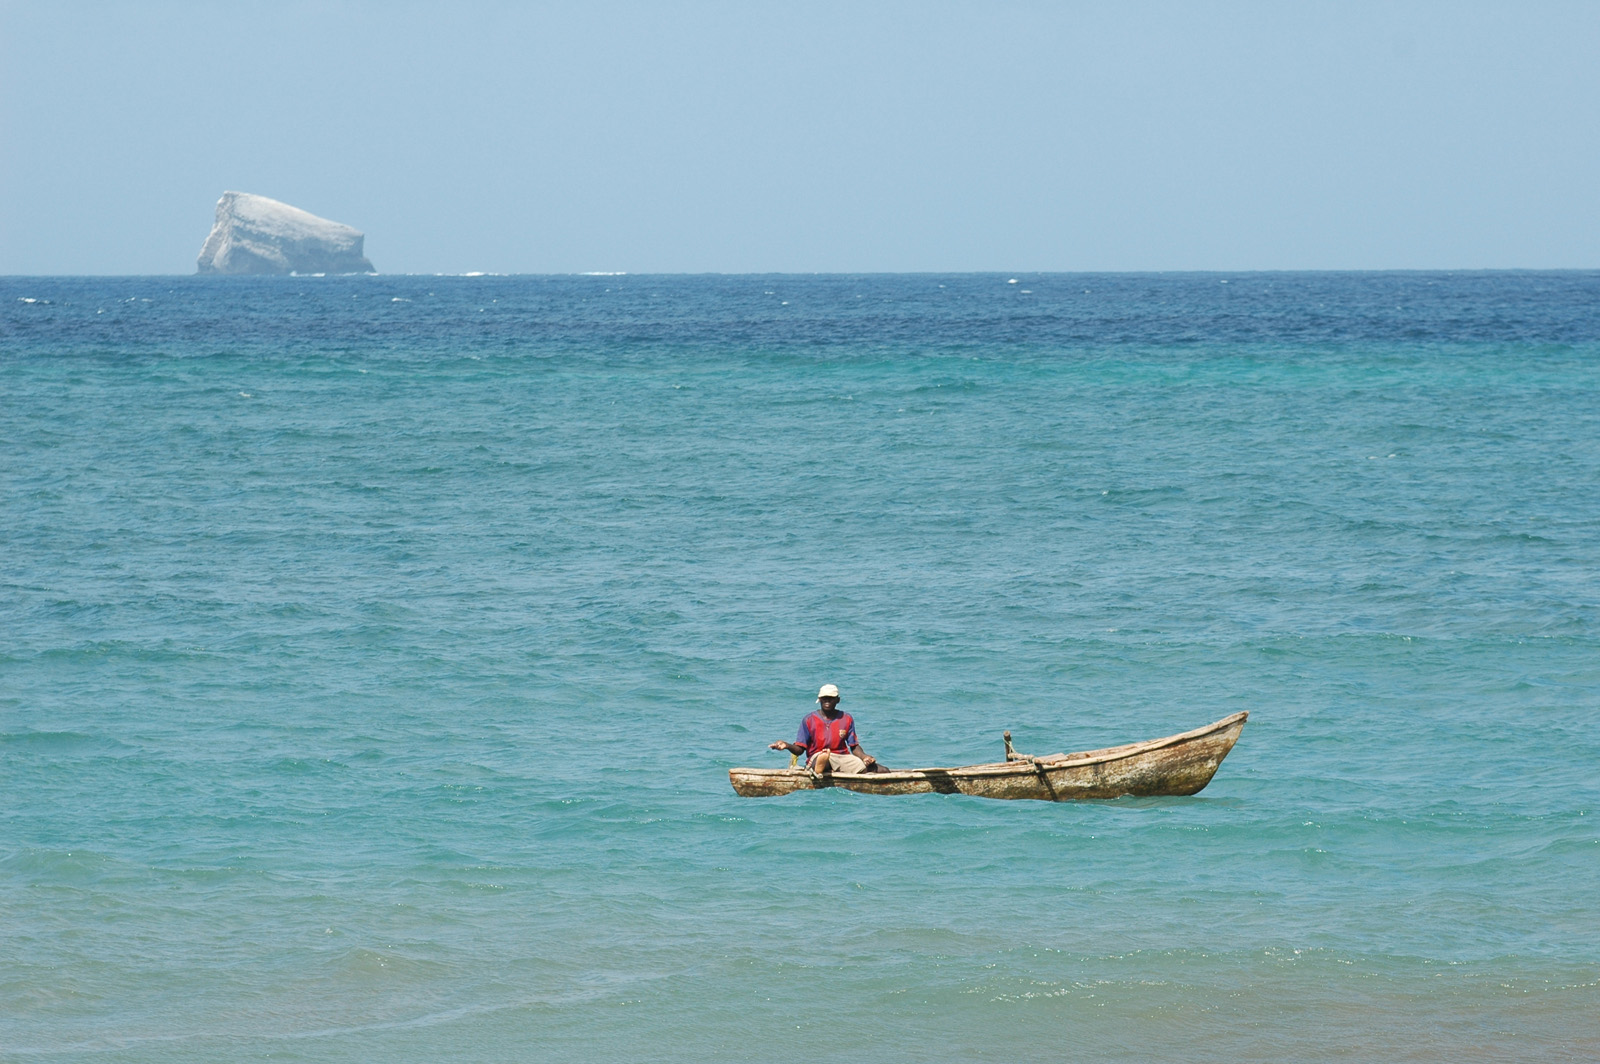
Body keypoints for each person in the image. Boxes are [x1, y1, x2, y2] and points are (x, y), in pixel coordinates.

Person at [769, 684, 880, 774]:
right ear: (819, 700)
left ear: (838, 700)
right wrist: (787, 745)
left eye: (831, 698)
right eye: (824, 698)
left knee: (881, 770)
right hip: (817, 756)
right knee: (823, 759)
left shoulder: (846, 718)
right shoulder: (809, 720)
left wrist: (864, 757)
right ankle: (822, 767)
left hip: (842, 757)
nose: (827, 701)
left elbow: (854, 746)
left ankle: (836, 769)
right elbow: (800, 749)